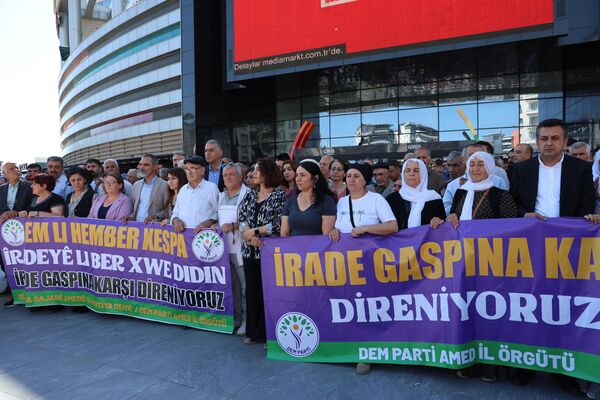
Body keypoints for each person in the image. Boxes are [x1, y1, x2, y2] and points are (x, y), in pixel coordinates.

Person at [431, 151, 518, 383]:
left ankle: (491, 366)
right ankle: (466, 359)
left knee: (490, 313)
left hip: (491, 265)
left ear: (490, 167)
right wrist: (447, 220)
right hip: (463, 264)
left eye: (481, 164)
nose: (476, 168)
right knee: (466, 311)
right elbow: (455, 218)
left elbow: (508, 230)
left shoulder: (501, 195)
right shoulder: (461, 191)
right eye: (472, 164)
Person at [328, 162, 398, 375]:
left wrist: (366, 229)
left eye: (356, 176)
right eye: (348, 175)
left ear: (365, 180)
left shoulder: (376, 199)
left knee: (367, 308)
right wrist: (333, 231)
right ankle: (352, 348)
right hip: (345, 264)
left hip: (371, 263)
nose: (350, 179)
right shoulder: (341, 203)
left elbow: (392, 226)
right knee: (349, 307)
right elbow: (338, 226)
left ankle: (368, 354)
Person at [238, 158, 287, 345]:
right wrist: (249, 236)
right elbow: (242, 216)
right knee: (252, 292)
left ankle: (270, 335)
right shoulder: (250, 194)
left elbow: (279, 223)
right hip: (249, 250)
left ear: (268, 172)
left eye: (258, 170)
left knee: (270, 294)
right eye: (254, 170)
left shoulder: (279, 196)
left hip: (269, 251)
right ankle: (254, 332)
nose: (254, 173)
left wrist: (255, 232)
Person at [510, 119, 595, 221]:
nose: (549, 143)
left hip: (569, 231)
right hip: (532, 230)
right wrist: (525, 215)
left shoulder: (582, 168)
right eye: (544, 138)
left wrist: (577, 225)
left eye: (555, 138)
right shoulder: (521, 169)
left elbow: (587, 203)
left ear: (564, 142)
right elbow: (512, 202)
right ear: (537, 142)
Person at [212, 163, 250, 336]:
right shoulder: (221, 196)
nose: (227, 178)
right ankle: (235, 319)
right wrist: (213, 225)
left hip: (242, 247)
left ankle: (247, 321)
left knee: (245, 287)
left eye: (231, 175)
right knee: (232, 286)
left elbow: (251, 220)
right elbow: (215, 217)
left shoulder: (248, 194)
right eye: (225, 175)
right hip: (224, 249)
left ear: (240, 176)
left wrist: (233, 225)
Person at [0, 161, 33, 308]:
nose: (16, 170)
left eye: (17, 167)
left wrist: (19, 214)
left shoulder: (29, 186)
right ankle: (12, 287)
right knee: (6, 260)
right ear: (5, 173)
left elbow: (33, 205)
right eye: (11, 168)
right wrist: (3, 214)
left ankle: (27, 290)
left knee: (24, 260)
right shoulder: (0, 189)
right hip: (5, 232)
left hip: (25, 231)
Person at [442, 144, 508, 215]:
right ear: (463, 160)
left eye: (481, 155)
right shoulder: (453, 186)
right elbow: (445, 211)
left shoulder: (498, 181)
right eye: (471, 155)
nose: (476, 158)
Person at [281, 160, 336, 236]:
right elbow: (284, 233)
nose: (298, 179)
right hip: (292, 247)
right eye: (297, 175)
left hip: (318, 247)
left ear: (315, 178)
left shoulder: (326, 201)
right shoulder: (290, 201)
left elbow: (326, 235)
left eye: (302, 175)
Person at [387, 159, 445, 230]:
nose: (411, 174)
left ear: (423, 174)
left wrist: (439, 221)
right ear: (403, 174)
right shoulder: (392, 199)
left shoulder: (434, 199)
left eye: (416, 171)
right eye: (407, 170)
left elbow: (443, 227)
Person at [171, 156, 219, 232]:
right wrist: (176, 221)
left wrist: (205, 224)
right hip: (183, 238)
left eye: (193, 168)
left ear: (202, 171)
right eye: (186, 169)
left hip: (203, 238)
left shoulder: (211, 188)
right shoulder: (183, 189)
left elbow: (218, 212)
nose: (189, 172)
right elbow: (175, 212)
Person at [129, 154, 170, 223]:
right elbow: (134, 208)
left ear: (155, 167)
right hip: (136, 227)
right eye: (140, 164)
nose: (141, 168)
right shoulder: (136, 185)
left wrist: (156, 216)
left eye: (146, 165)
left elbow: (168, 210)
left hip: (154, 229)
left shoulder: (165, 185)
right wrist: (130, 216)